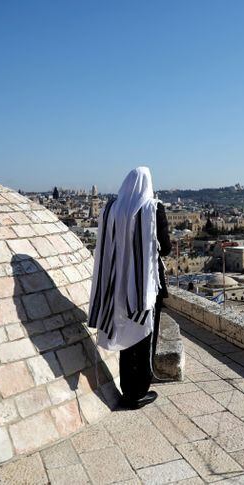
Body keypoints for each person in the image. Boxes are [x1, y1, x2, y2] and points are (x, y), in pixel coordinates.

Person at [87, 166, 171, 409]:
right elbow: (163, 248)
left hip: (116, 283)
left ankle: (127, 389)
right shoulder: (153, 209)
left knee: (126, 335)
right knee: (144, 335)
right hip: (144, 286)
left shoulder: (111, 209)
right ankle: (138, 392)